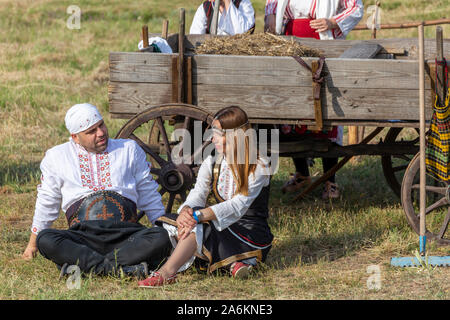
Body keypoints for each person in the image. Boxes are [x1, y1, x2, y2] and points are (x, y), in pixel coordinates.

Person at [22, 103, 172, 279]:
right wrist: (33, 244)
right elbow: (47, 201)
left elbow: (149, 193)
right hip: (83, 238)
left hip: (126, 235)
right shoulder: (56, 157)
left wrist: (165, 228)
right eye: (91, 131)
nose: (100, 133)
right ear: (75, 137)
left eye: (101, 125)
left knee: (161, 236)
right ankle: (123, 270)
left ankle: (87, 269)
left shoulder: (129, 149)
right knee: (45, 239)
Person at [138, 106, 273, 287]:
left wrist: (198, 216)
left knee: (201, 225)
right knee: (173, 223)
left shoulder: (259, 165)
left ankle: (167, 272)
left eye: (217, 133)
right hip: (220, 227)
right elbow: (198, 193)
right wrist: (186, 211)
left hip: (249, 234)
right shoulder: (213, 161)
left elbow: (238, 205)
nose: (212, 138)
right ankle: (232, 263)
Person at [264, 0, 364, 199]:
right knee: (293, 113)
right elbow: (272, 7)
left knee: (326, 112)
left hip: (322, 45)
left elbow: (355, 7)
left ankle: (330, 181)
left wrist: (333, 22)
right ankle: (302, 174)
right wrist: (271, 18)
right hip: (291, 45)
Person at [190, 0, 255, 35]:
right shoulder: (205, 8)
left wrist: (227, 2)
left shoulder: (243, 4)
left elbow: (240, 32)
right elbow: (195, 36)